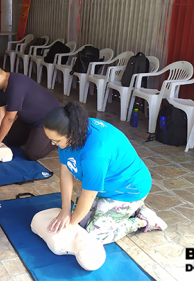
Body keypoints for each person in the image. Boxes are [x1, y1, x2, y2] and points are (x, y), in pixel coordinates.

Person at [43, 102, 167, 245]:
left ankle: (143, 220)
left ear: (71, 134)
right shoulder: (70, 128)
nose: (53, 144)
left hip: (127, 189)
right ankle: (127, 210)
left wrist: (70, 227)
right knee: (81, 223)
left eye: (56, 141)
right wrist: (65, 209)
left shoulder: (95, 152)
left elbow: (88, 195)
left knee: (93, 236)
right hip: (103, 186)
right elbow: (65, 172)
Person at [0, 63, 60, 161]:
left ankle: (59, 138)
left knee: (32, 155)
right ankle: (35, 135)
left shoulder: (16, 86)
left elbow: (9, 118)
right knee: (11, 141)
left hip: (47, 119)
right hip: (27, 119)